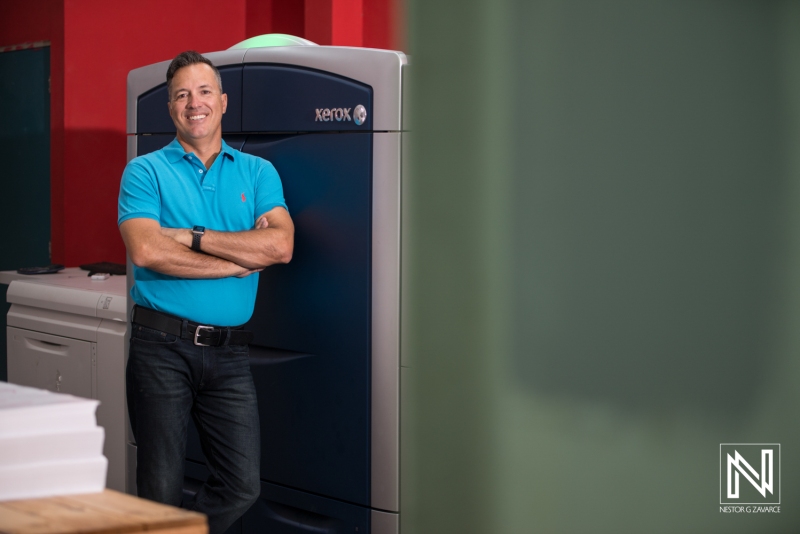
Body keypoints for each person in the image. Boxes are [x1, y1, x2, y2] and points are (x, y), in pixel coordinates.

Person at [118, 50, 294, 533]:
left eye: (202, 92)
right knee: (160, 489)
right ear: (171, 108)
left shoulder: (258, 172)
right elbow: (148, 252)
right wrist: (236, 262)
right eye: (181, 95)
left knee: (242, 485)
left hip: (231, 355)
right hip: (161, 349)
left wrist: (189, 236)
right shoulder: (145, 172)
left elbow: (280, 246)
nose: (193, 103)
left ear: (222, 100)